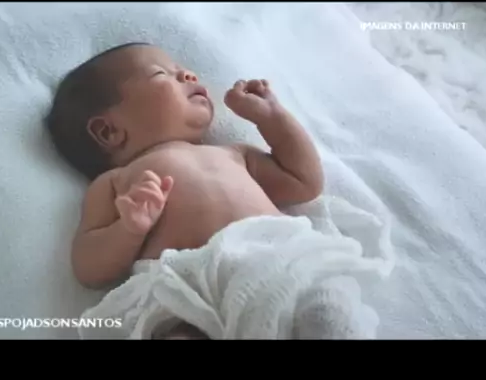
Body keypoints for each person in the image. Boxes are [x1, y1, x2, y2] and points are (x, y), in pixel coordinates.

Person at [46, 42, 324, 339]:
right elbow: (88, 268)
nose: (189, 75)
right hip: (191, 293)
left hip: (278, 264)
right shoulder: (116, 182)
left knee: (327, 306)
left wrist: (272, 117)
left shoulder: (234, 154)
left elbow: (304, 182)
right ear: (108, 131)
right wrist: (128, 230)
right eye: (161, 73)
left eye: (181, 69)